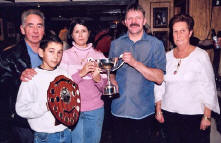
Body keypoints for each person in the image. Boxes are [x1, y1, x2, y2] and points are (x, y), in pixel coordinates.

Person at [154, 14, 220, 143]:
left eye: (182, 31)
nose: (178, 35)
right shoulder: (167, 57)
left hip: (194, 117)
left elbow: (209, 87)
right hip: (169, 114)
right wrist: (158, 109)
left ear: (190, 33)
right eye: (175, 31)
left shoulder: (201, 56)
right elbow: (160, 84)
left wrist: (207, 116)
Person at [108, 3, 166, 143]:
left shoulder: (156, 44)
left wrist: (135, 63)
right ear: (125, 22)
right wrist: (112, 78)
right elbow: (110, 70)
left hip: (143, 113)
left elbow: (159, 78)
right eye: (130, 18)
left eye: (138, 18)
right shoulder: (115, 44)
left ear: (144, 21)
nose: (134, 21)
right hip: (118, 110)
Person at [16, 35, 72, 143]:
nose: (56, 56)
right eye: (51, 51)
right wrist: (46, 105)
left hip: (66, 131)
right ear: (41, 52)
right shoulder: (32, 77)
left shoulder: (65, 74)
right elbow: (21, 109)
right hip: (45, 136)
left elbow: (70, 99)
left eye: (59, 52)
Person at [0, 9, 45, 143]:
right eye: (30, 26)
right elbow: (2, 84)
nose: (35, 31)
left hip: (47, 115)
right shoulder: (9, 55)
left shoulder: (52, 53)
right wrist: (19, 78)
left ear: (44, 29)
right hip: (22, 120)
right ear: (22, 29)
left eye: (39, 26)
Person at [60, 18, 107, 143]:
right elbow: (63, 87)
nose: (80, 35)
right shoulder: (64, 56)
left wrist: (97, 79)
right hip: (72, 109)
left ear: (89, 33)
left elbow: (104, 89)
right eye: (76, 31)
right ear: (71, 35)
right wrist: (81, 73)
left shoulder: (99, 55)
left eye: (83, 31)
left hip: (95, 110)